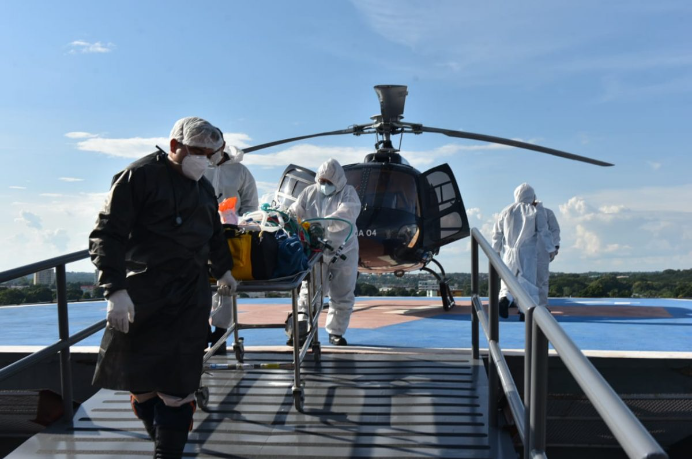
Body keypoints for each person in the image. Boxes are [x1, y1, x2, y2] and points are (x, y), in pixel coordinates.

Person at [89, 117, 237, 458]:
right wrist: (115, 290)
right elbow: (106, 235)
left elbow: (215, 234)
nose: (206, 161)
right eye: (199, 152)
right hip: (142, 295)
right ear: (175, 146)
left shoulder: (204, 188)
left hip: (189, 298)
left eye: (212, 155)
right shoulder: (138, 177)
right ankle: (160, 437)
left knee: (179, 387)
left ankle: (166, 453)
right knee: (141, 383)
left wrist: (224, 270)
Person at [289, 158, 361, 346]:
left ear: (338, 181)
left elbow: (346, 214)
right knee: (309, 291)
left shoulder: (348, 193)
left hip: (344, 250)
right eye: (321, 181)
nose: (324, 185)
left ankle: (335, 332)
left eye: (328, 182)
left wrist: (323, 222)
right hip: (316, 250)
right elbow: (297, 209)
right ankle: (301, 329)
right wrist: (289, 216)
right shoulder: (309, 192)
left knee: (343, 293)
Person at [203, 145, 259, 354]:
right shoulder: (198, 166)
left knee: (226, 284)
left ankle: (220, 334)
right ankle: (200, 330)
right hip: (200, 233)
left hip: (229, 235)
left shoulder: (240, 171)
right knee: (197, 282)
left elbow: (251, 205)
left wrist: (238, 222)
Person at [491, 183, 555, 318]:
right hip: (528, 253)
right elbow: (544, 231)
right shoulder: (535, 211)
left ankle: (505, 298)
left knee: (508, 280)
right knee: (527, 282)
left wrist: (495, 250)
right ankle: (525, 311)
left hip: (509, 252)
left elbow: (497, 233)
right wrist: (551, 248)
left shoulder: (506, 211)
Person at [535, 202, 561, 308]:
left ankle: (541, 305)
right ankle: (524, 306)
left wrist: (554, 246)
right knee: (525, 279)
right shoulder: (519, 212)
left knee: (541, 279)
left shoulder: (547, 213)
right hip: (526, 251)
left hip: (543, 250)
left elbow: (555, 230)